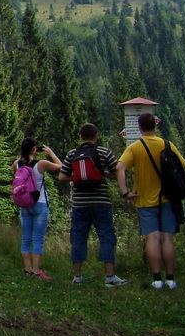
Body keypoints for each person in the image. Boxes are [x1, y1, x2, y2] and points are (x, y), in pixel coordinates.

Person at [116, 112, 185, 290]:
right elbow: (184, 166)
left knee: (152, 238)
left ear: (139, 127)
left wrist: (126, 192)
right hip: (167, 198)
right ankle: (171, 279)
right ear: (155, 125)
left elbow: (120, 167)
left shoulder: (135, 147)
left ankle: (156, 279)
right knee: (167, 239)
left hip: (144, 199)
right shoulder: (167, 144)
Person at [57, 123, 128, 286]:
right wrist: (101, 174)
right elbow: (117, 171)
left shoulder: (72, 154)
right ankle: (110, 277)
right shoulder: (103, 152)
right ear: (96, 136)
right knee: (106, 236)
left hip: (80, 204)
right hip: (101, 202)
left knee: (78, 238)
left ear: (81, 136)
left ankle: (77, 277)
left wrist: (76, 177)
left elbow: (61, 177)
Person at [12, 137, 62, 280]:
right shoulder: (41, 164)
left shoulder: (18, 164)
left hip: (24, 204)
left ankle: (27, 269)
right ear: (34, 149)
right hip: (39, 203)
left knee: (26, 237)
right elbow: (61, 166)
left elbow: (13, 170)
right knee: (38, 238)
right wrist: (51, 153)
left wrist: (21, 157)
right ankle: (36, 270)